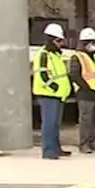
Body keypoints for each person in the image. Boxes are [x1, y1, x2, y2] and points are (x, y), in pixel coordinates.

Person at [32, 23, 72, 160]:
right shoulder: (44, 55)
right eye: (58, 41)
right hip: (48, 94)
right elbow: (43, 75)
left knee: (55, 123)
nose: (61, 44)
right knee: (49, 123)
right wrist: (54, 87)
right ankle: (49, 151)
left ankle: (56, 148)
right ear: (50, 40)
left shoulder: (55, 55)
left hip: (58, 94)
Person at [70, 27, 95, 154]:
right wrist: (85, 87)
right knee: (85, 120)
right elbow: (75, 75)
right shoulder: (77, 57)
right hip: (85, 94)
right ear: (85, 42)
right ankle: (84, 144)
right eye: (92, 42)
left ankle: (91, 142)